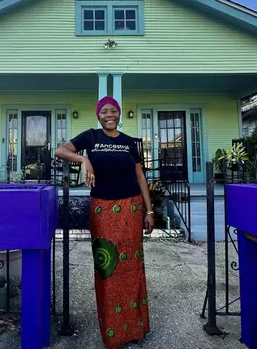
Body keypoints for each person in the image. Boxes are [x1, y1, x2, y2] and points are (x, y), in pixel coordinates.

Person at [55, 96, 154, 348]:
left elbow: (140, 176)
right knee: (107, 267)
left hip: (131, 208)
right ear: (98, 115)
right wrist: (84, 159)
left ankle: (135, 328)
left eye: (113, 111)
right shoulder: (90, 137)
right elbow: (60, 150)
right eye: (104, 111)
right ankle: (113, 332)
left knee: (132, 267)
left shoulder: (131, 143)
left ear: (119, 114)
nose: (109, 115)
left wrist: (149, 210)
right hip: (103, 210)